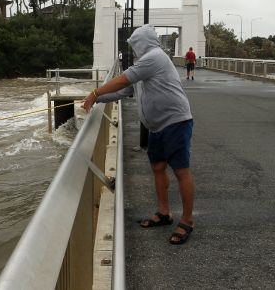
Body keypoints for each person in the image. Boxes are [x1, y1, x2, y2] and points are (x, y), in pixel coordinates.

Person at [82, 24, 196, 245]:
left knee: (181, 171)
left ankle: (188, 220)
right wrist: (95, 100)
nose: (134, 50)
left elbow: (123, 80)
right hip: (156, 127)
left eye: (136, 45)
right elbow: (126, 90)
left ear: (144, 43)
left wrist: (96, 91)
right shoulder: (145, 64)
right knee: (158, 167)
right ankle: (164, 212)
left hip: (175, 122)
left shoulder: (155, 57)